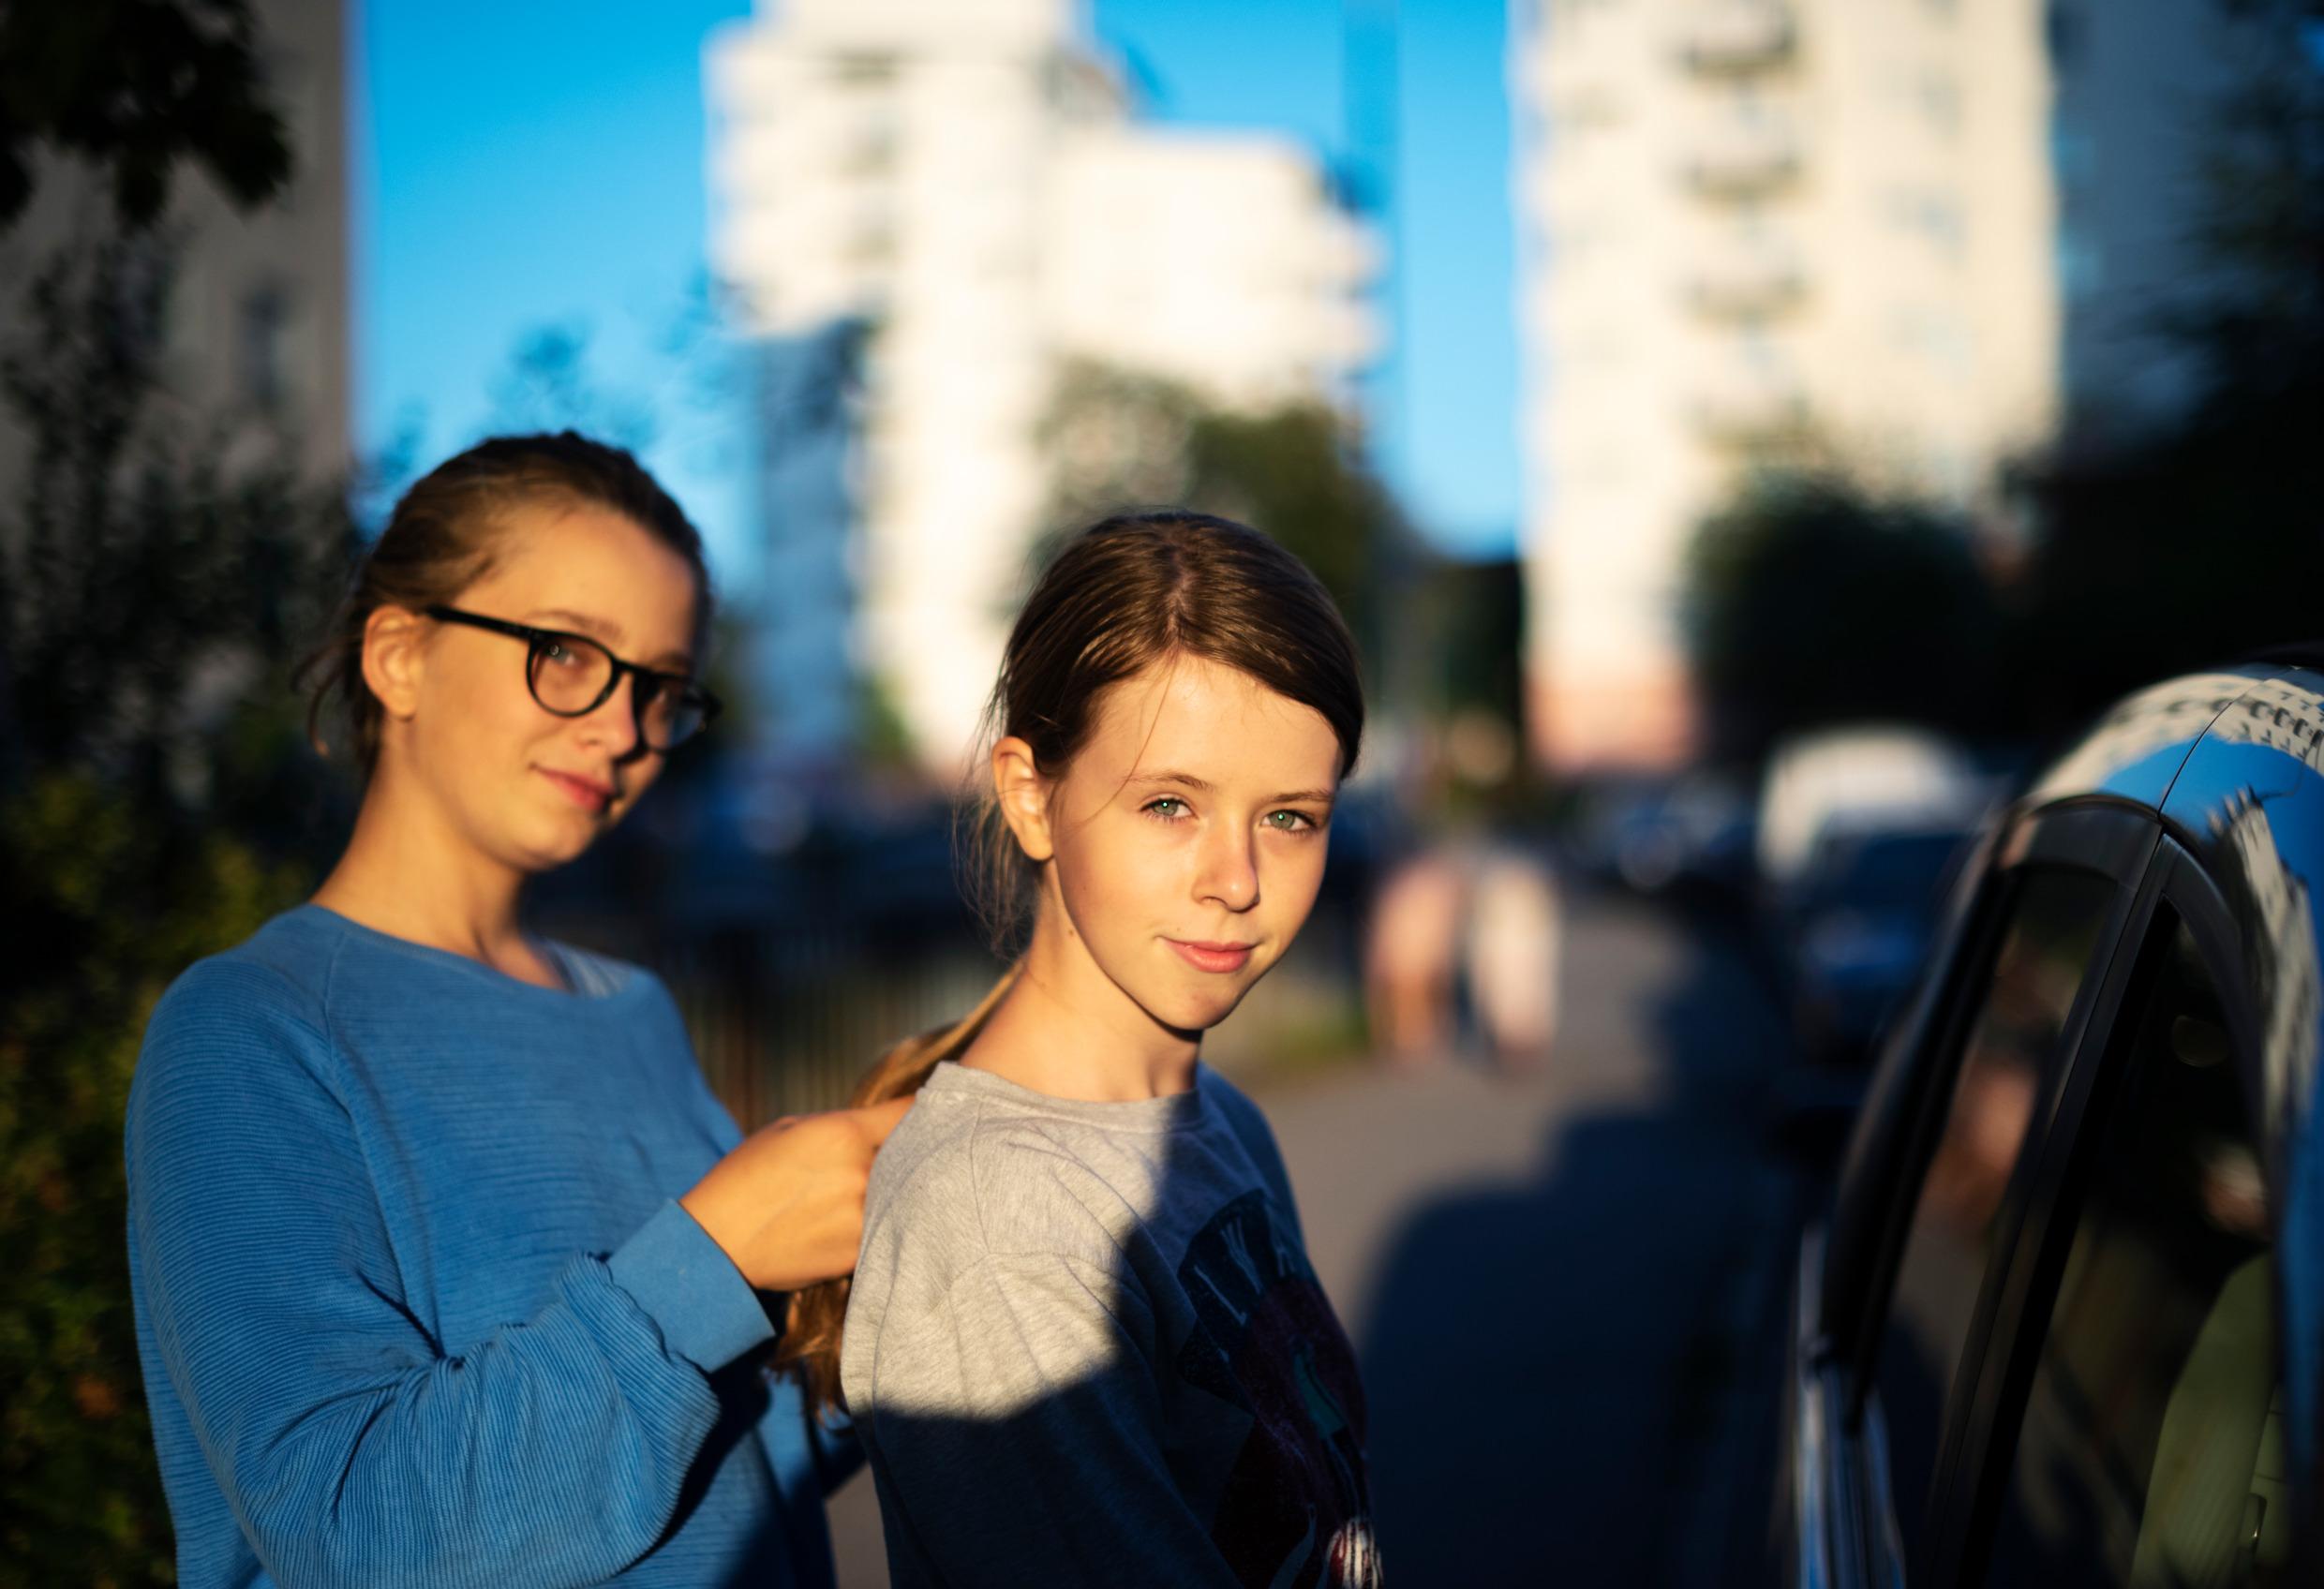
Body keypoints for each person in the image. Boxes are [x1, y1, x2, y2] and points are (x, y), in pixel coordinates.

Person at [125, 432, 903, 1588]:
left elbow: (718, 1457)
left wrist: (875, 1318)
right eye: (566, 652)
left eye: (661, 686)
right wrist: (718, 1254)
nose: (623, 727)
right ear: (399, 654)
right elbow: (355, 1527)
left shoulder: (631, 1009)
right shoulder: (249, 1031)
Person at [781, 512, 1384, 1588]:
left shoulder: (1221, 1122)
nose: (1236, 879)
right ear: (1029, 795)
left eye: (1290, 817)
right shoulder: (994, 1218)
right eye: (1168, 804)